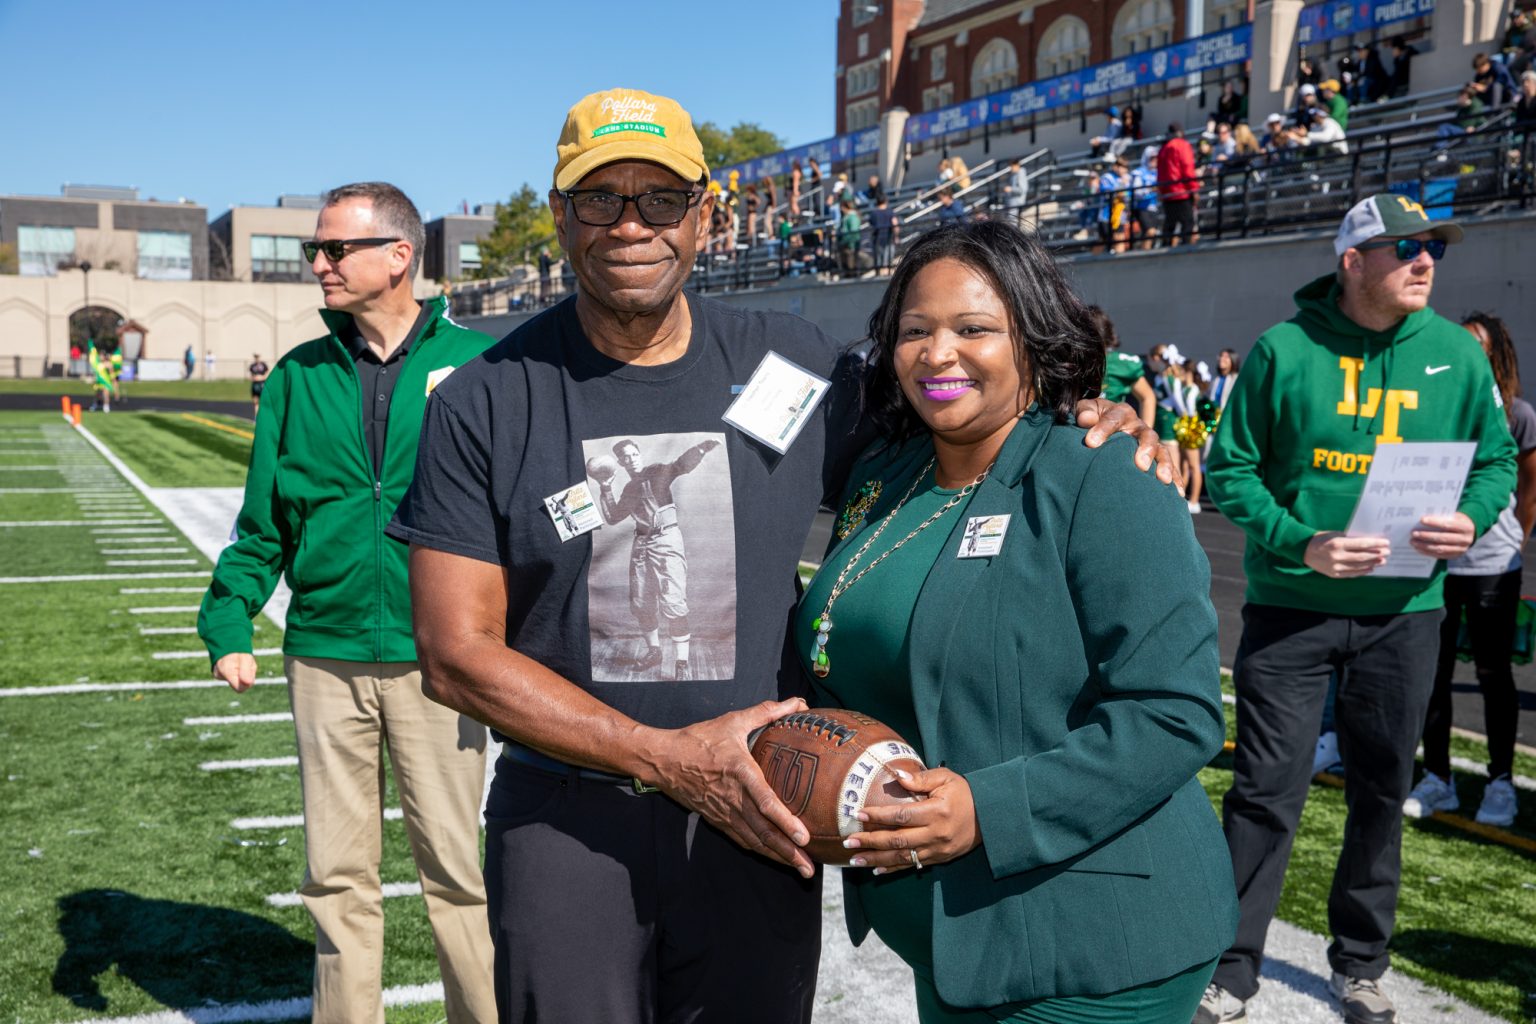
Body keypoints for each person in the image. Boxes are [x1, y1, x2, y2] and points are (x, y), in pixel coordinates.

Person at [387, 86, 1171, 1024]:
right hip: (570, 819)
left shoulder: (790, 365)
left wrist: (1095, 413)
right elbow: (454, 655)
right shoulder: (482, 400)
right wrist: (664, 757)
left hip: (768, 808)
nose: (631, 224)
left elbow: (959, 407)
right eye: (600, 198)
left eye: (662, 199)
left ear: (707, 216)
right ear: (560, 215)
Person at [798, 220, 1236, 1024]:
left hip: (1091, 947)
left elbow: (1176, 714)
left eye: (974, 329)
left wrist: (985, 811)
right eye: (915, 330)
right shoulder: (885, 471)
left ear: (1033, 339)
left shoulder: (1103, 472)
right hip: (951, 934)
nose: (938, 353)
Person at [1199, 194, 1516, 1024]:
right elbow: (1231, 471)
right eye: (1405, 247)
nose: (1426, 262)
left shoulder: (1456, 353)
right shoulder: (1283, 350)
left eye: (1433, 249)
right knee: (1266, 792)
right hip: (1291, 609)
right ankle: (1230, 970)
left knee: (1382, 789)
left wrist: (1473, 518)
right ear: (1352, 260)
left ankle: (1361, 966)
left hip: (1405, 614)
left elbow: (1496, 462)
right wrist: (1299, 540)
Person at [197, 181, 498, 1024]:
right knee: (336, 880)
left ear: (399, 257)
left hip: (442, 658)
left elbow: (525, 516)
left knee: (457, 874)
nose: (318, 266)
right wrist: (229, 619)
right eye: (314, 251)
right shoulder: (296, 377)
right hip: (323, 656)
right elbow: (265, 521)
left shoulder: (481, 365)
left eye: (335, 250)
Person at [1404, 311, 1534, 828]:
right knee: (1433, 676)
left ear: (1497, 353)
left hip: (1494, 565)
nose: (1468, 352)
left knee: (1492, 673)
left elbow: (1530, 486)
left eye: (1478, 344)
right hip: (1436, 563)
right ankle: (1439, 779)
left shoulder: (1518, 413)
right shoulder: (1437, 403)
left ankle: (1500, 781)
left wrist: (1516, 538)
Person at [1092, 305, 1158, 425]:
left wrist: (1144, 432)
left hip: (1112, 431)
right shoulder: (1069, 362)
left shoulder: (1122, 364)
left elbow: (1147, 397)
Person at [1157, 124, 1200, 247]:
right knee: (1187, 223)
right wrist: (1194, 189)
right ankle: (1185, 249)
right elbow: (1187, 168)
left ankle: (1165, 248)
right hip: (1181, 191)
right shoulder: (1182, 145)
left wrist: (1161, 190)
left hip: (1167, 192)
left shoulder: (1163, 148)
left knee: (1170, 224)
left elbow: (1160, 172)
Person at [867, 194, 898, 275]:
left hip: (877, 239)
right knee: (887, 261)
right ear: (885, 201)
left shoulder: (873, 213)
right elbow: (895, 224)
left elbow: (871, 226)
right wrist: (896, 237)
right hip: (888, 238)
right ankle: (887, 274)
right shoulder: (890, 212)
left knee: (879, 260)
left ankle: (879, 274)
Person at [837, 198, 864, 278]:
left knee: (851, 266)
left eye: (842, 208)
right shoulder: (846, 217)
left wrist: (844, 241)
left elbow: (853, 232)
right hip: (846, 246)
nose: (841, 210)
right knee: (847, 267)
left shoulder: (852, 217)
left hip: (850, 246)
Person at [1001, 157, 1028, 229]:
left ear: (1017, 165)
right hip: (1010, 204)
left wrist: (1011, 189)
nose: (1010, 168)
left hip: (1016, 204)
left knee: (1013, 224)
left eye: (1011, 166)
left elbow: (1022, 190)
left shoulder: (1021, 174)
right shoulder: (1013, 175)